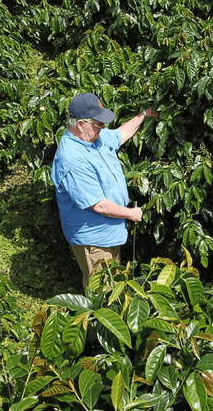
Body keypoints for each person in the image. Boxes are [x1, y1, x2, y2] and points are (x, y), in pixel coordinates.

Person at [51, 92, 157, 290]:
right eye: (99, 124)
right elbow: (98, 205)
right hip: (93, 238)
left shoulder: (94, 137)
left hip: (110, 230)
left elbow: (120, 135)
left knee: (115, 284)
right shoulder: (72, 159)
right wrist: (131, 214)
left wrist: (144, 114)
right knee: (102, 291)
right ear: (81, 124)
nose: (103, 128)